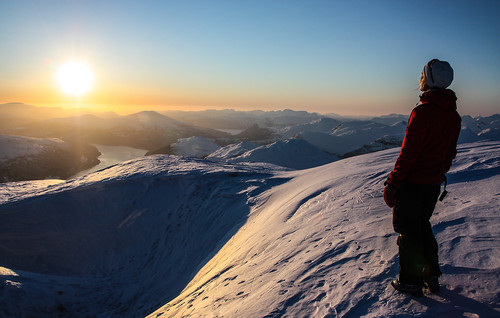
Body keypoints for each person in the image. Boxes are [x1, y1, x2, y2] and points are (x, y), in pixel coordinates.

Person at [383, 59, 461, 297]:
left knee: (408, 231)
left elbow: (409, 154)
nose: (420, 78)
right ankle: (431, 275)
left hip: (412, 184)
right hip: (432, 184)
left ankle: (411, 280)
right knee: (422, 226)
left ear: (429, 79)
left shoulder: (422, 112)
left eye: (422, 74)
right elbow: (449, 154)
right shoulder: (453, 116)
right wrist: (436, 174)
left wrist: (393, 183)